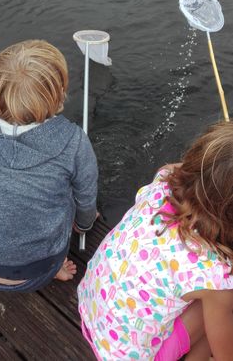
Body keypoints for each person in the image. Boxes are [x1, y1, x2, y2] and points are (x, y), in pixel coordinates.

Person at [78, 121, 233, 360]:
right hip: (127, 355)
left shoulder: (162, 183)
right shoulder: (214, 272)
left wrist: (216, 162)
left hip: (92, 312)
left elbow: (176, 168)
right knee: (221, 310)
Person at [0, 39, 98, 292]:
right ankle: (54, 269)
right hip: (32, 275)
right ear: (60, 95)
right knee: (69, 200)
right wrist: (84, 223)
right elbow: (86, 195)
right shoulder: (73, 141)